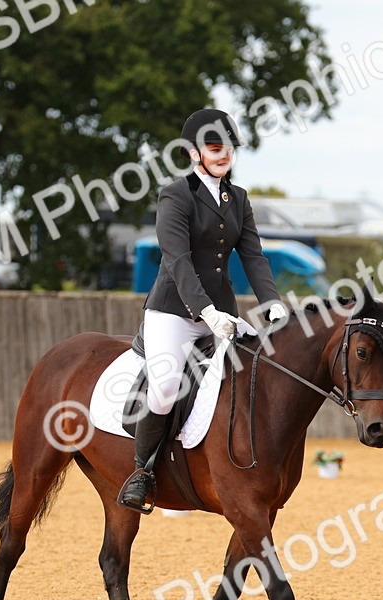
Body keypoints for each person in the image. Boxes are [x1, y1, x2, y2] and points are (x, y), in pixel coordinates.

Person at [118, 108, 289, 512]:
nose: (223, 155)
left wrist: (273, 304)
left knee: (250, 376)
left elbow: (254, 257)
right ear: (193, 153)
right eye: (215, 148)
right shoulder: (175, 196)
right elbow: (177, 260)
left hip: (223, 315)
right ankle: (142, 473)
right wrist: (207, 312)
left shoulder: (238, 199)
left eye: (228, 148)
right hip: (174, 313)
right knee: (163, 388)